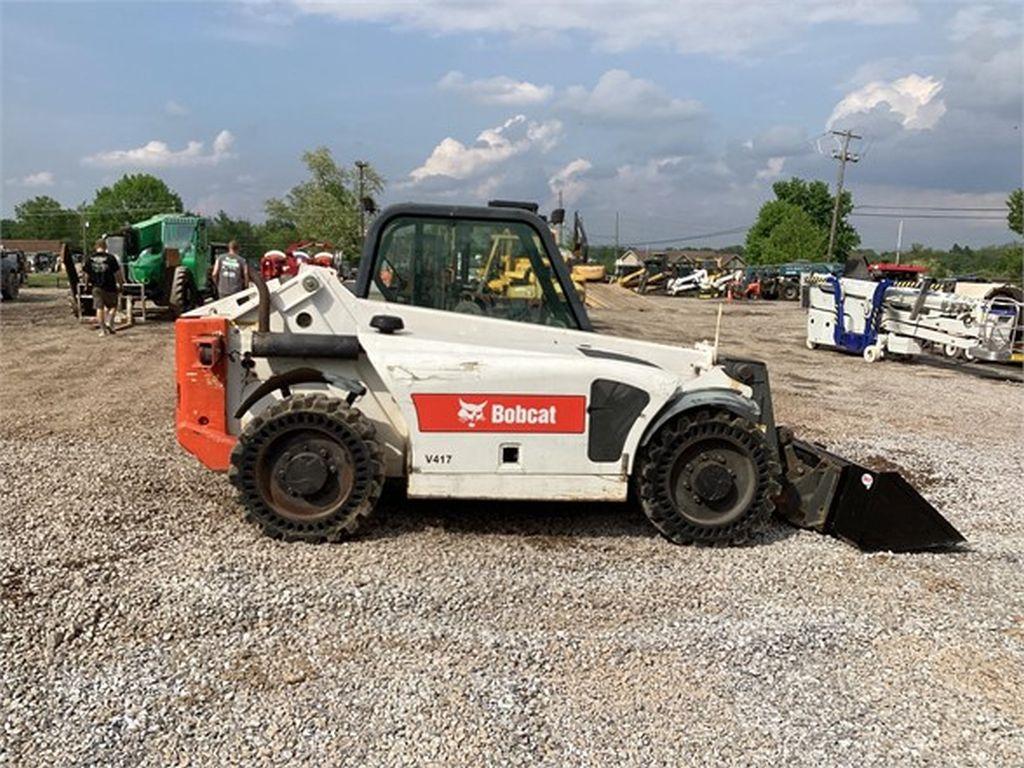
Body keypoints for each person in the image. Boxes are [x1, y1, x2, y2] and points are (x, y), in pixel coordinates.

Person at [81, 238, 123, 335]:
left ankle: (103, 330)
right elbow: (118, 274)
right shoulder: (111, 258)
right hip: (110, 287)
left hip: (96, 287)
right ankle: (109, 321)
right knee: (113, 306)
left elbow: (86, 274)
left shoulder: (89, 259)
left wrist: (86, 285)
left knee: (99, 308)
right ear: (105, 247)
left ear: (96, 247)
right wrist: (121, 284)